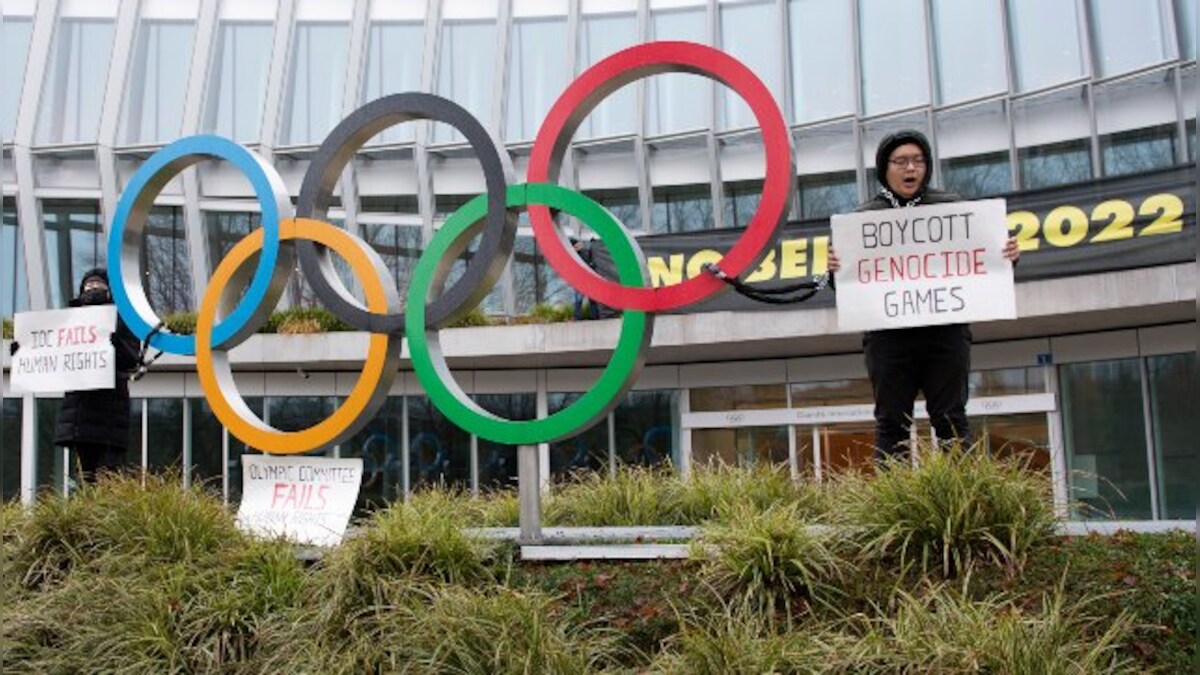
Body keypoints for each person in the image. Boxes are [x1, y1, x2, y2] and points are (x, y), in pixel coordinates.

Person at [827, 130, 1020, 462]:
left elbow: (980, 264)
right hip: (888, 340)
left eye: (917, 161)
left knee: (951, 420)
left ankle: (961, 506)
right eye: (900, 161)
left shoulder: (952, 208)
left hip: (945, 336)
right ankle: (894, 510)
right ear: (884, 169)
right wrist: (836, 270)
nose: (910, 168)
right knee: (891, 425)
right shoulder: (862, 219)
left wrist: (1006, 256)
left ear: (927, 167)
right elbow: (851, 286)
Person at [23, 269, 140, 482]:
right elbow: (50, 351)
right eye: (89, 286)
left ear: (110, 291)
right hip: (80, 414)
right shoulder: (67, 320)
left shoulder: (122, 320)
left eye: (99, 286)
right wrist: (24, 348)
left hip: (109, 413)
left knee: (108, 477)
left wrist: (115, 342)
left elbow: (132, 359)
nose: (93, 289)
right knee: (85, 478)